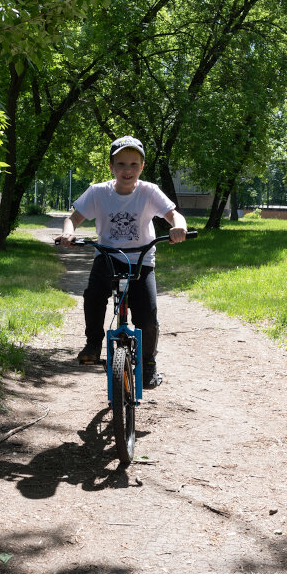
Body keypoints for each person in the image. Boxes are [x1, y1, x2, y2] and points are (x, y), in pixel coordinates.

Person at [54, 135, 187, 389]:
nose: (128, 170)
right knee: (93, 295)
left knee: (148, 316)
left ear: (142, 167)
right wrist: (69, 233)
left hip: (141, 260)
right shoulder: (98, 192)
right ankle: (93, 344)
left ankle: (148, 364)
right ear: (111, 167)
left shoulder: (149, 192)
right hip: (108, 256)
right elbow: (73, 218)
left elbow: (174, 215)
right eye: (121, 164)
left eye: (134, 165)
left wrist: (178, 227)